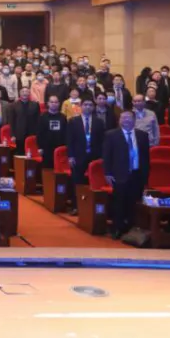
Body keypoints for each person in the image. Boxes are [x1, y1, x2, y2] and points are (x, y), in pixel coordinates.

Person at [102, 111, 150, 239]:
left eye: (129, 118)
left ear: (134, 120)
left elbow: (146, 158)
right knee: (119, 202)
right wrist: (107, 172)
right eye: (123, 117)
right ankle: (117, 228)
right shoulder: (111, 135)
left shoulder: (142, 135)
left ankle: (131, 228)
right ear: (119, 120)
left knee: (133, 202)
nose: (126, 120)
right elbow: (107, 156)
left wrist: (145, 176)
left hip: (137, 174)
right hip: (119, 174)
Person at [66, 98, 104, 205]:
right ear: (81, 106)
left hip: (94, 155)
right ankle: (76, 205)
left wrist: (102, 156)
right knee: (77, 181)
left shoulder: (99, 122)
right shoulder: (73, 121)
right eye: (85, 104)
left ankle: (90, 205)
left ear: (93, 107)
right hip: (78, 156)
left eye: (90, 105)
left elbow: (102, 140)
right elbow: (69, 140)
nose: (88, 107)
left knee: (93, 181)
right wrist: (70, 156)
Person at [11, 87, 40, 154]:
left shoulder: (35, 105)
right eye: (23, 92)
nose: (25, 93)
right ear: (20, 93)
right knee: (20, 153)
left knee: (31, 154)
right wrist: (12, 135)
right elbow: (12, 121)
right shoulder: (13, 105)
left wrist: (37, 134)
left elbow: (38, 120)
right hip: (19, 134)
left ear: (29, 93)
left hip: (31, 133)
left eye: (26, 91)